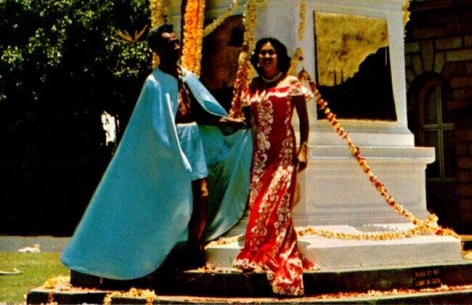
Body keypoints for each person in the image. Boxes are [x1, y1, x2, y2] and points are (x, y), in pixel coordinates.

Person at [61, 24, 251, 283]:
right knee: (172, 201)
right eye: (170, 44)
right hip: (170, 148)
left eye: (176, 42)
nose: (176, 46)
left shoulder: (186, 76)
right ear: (157, 49)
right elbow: (157, 127)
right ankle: (161, 250)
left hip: (192, 138)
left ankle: (194, 248)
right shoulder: (153, 83)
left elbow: (198, 110)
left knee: (202, 195)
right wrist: (175, 156)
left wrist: (226, 121)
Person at [233, 37, 316, 296]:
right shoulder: (254, 86)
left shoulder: (291, 84)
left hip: (283, 153)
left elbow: (303, 120)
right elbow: (245, 120)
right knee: (259, 203)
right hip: (261, 155)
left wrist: (303, 149)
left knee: (278, 203)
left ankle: (274, 253)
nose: (266, 57)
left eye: (271, 53)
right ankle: (258, 251)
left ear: (279, 56)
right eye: (262, 54)